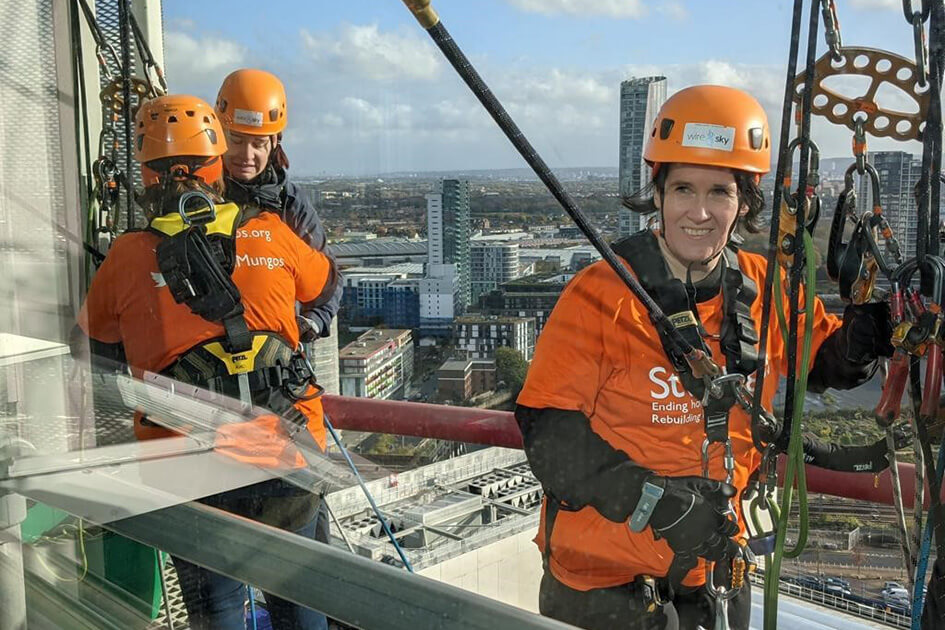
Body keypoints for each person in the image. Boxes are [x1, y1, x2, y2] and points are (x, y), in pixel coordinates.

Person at [516, 85, 894, 630]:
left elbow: (824, 362)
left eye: (719, 192)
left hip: (714, 574)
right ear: (659, 195)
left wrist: (859, 343)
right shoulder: (600, 295)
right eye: (682, 189)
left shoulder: (765, 288)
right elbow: (548, 431)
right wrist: (657, 502)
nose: (698, 211)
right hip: (603, 587)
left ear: (744, 201)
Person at [75, 94, 333, 630]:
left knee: (216, 609)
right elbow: (324, 282)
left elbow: (95, 343)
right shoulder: (269, 229)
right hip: (284, 448)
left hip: (189, 463)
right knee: (300, 595)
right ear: (218, 166)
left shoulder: (126, 257)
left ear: (146, 176)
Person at [215, 68, 341, 342]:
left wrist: (314, 321)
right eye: (236, 140)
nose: (246, 155)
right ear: (219, 134)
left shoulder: (290, 203)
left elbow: (327, 279)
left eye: (258, 144)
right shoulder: (200, 197)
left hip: (272, 355)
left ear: (274, 144)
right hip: (206, 350)